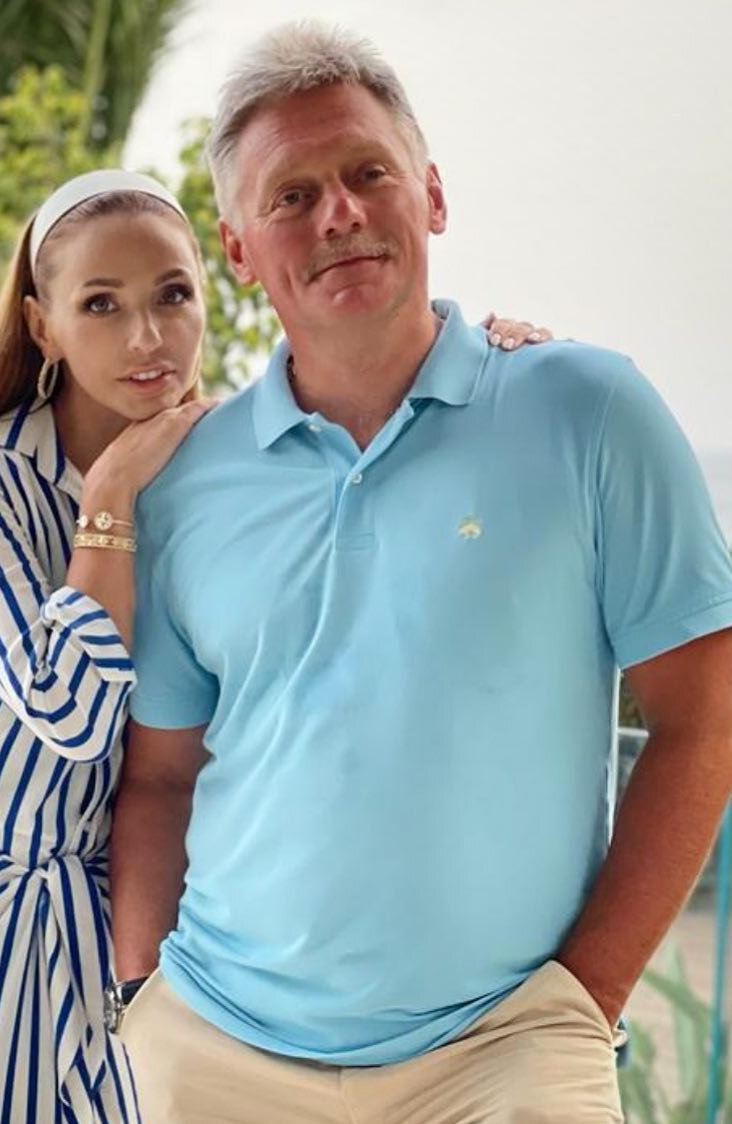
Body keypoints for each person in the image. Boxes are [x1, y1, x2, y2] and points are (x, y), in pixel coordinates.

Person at [110, 22, 732, 1124]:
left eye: (365, 173)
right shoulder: (186, 479)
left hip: (502, 1052)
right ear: (240, 250)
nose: (336, 212)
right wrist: (140, 999)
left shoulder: (586, 412)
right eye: (290, 196)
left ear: (430, 196)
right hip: (213, 1052)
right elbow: (160, 773)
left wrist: (582, 998)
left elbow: (705, 717)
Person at [0, 164, 545, 1122]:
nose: (148, 338)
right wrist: (109, 500)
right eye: (101, 305)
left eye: (173, 296)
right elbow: (71, 709)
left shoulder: (214, 479)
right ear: (43, 324)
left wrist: (512, 372)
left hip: (124, 940)